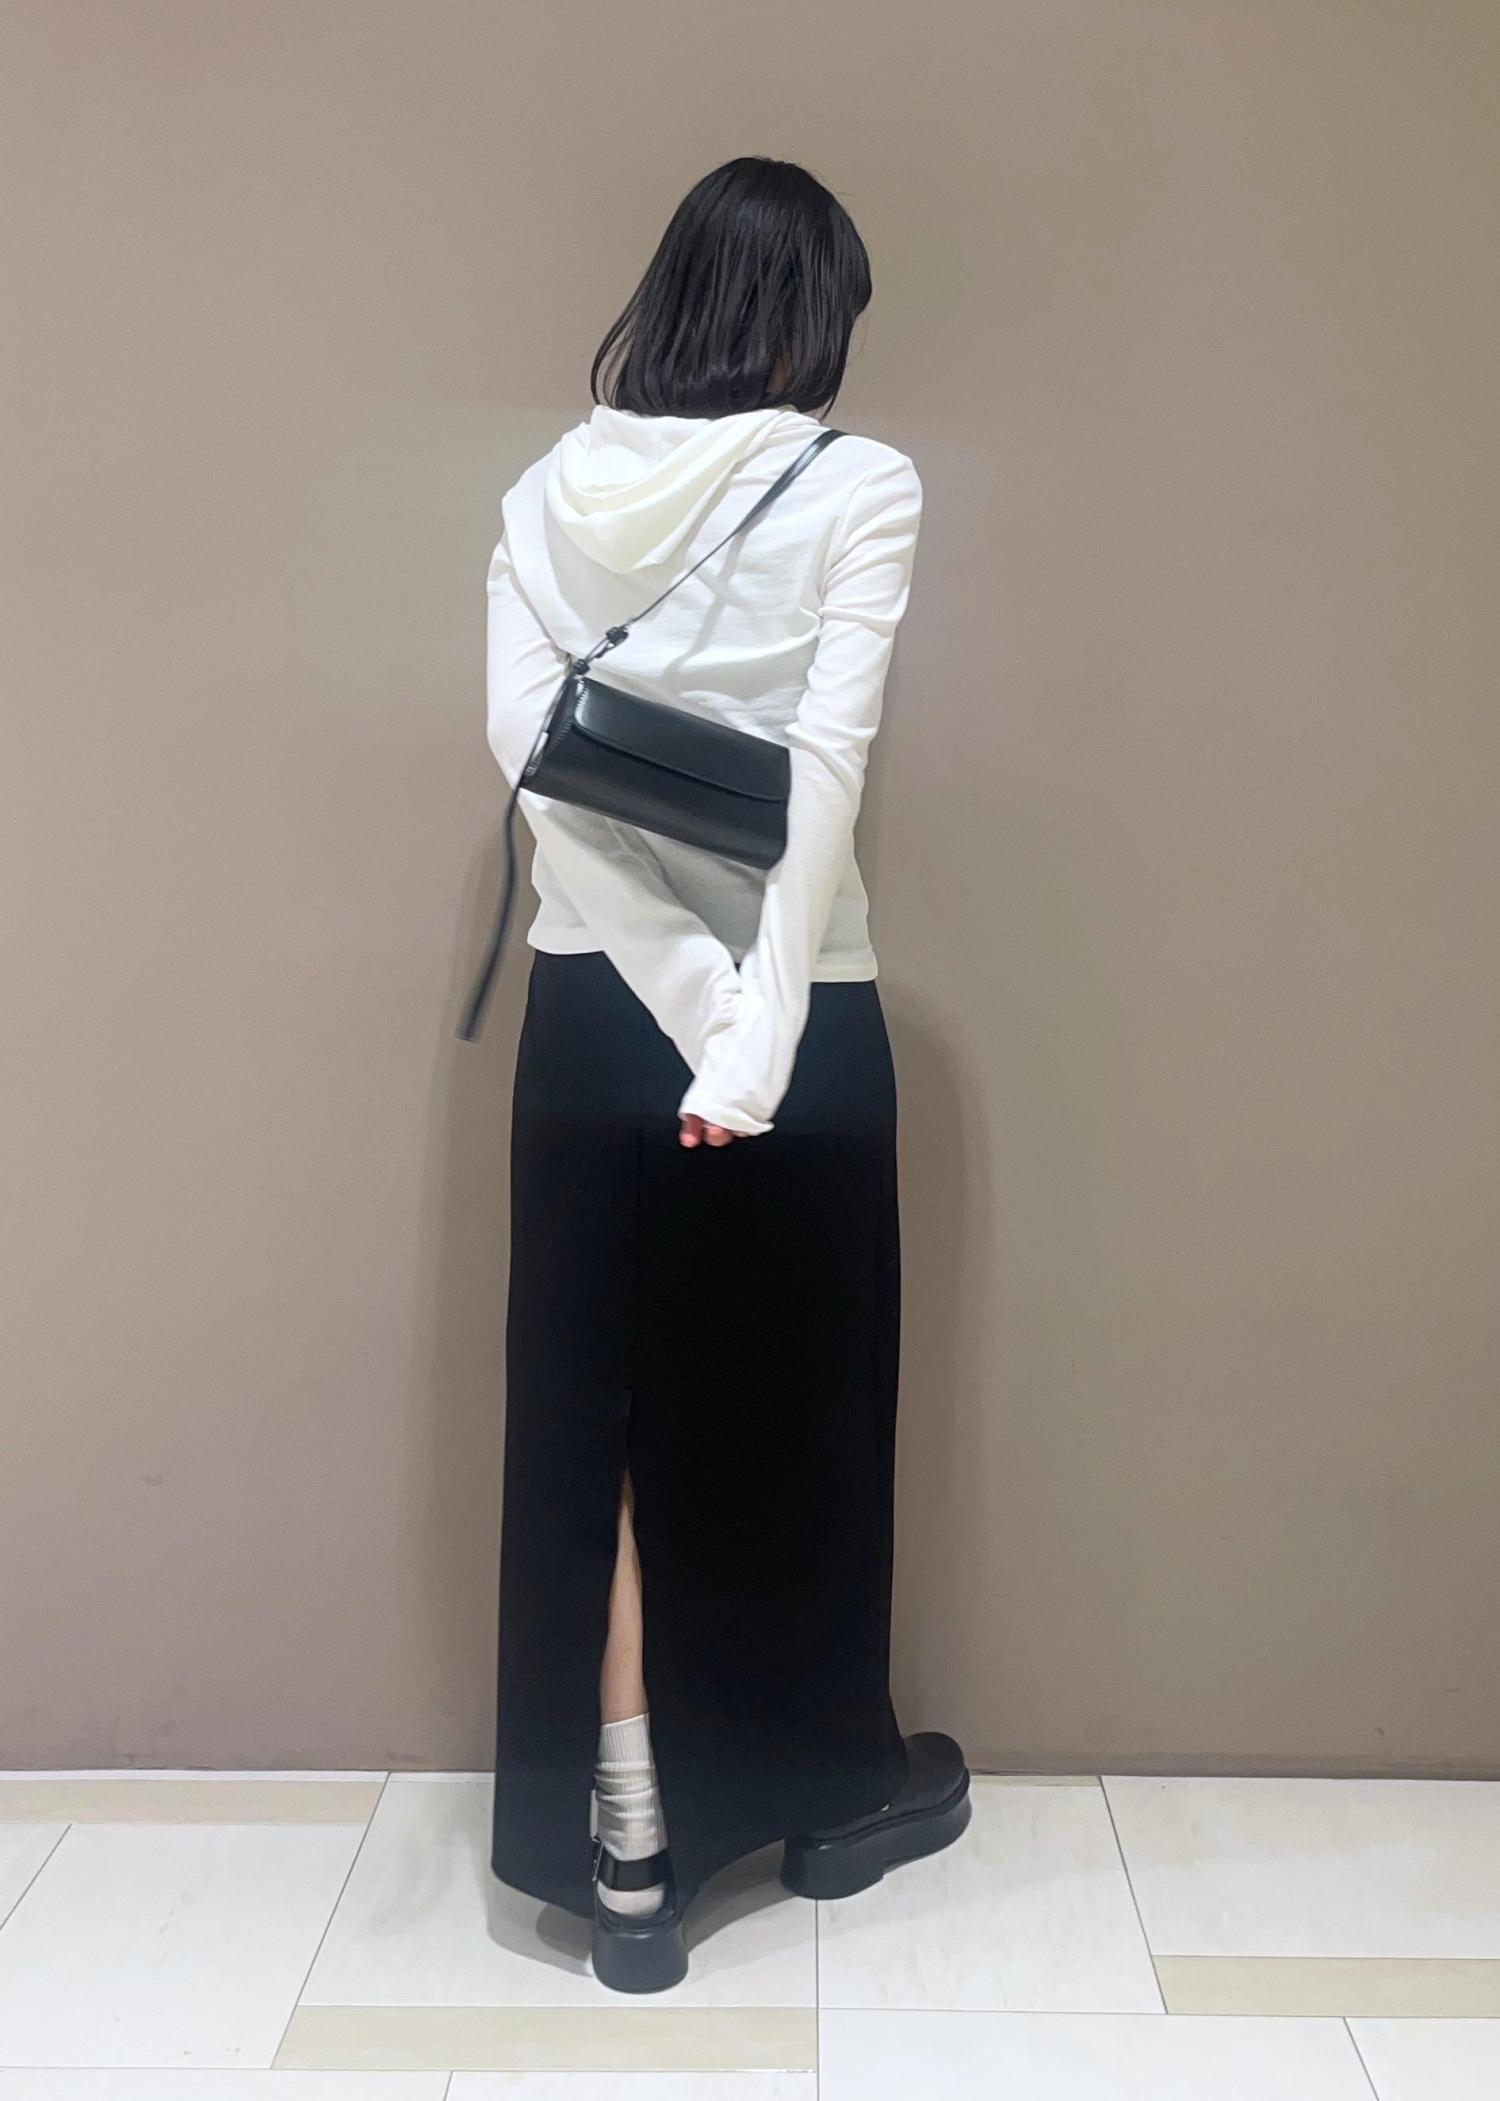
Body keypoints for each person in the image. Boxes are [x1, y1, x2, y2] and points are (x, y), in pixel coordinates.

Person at [481, 154, 970, 1995]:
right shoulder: (862, 483)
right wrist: (752, 1027)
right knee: (795, 1407)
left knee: (603, 1414)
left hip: (589, 1010)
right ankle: (822, 1788)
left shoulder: (543, 492)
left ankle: (626, 1841)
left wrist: (679, 994)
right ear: (812, 319)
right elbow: (827, 773)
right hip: (796, 1010)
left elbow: (535, 767)